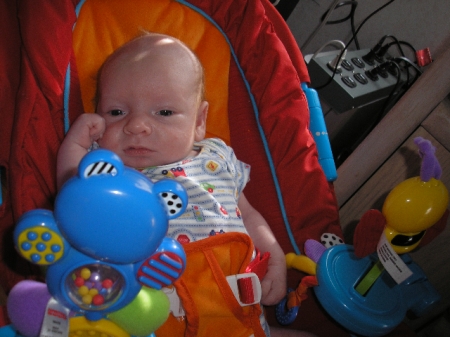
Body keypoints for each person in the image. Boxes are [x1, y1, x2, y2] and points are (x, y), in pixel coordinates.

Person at [57, 33, 315, 337]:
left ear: (199, 121)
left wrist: (275, 260)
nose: (137, 125)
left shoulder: (217, 156)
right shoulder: (110, 172)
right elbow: (72, 197)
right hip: (156, 313)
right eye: (116, 112)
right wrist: (75, 144)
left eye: (164, 112)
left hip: (236, 310)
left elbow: (248, 214)